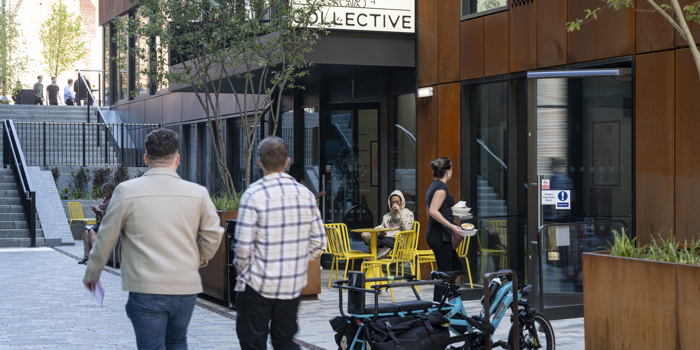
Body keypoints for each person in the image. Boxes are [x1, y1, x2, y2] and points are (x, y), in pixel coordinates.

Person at [83, 128, 224, 350]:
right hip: (184, 286)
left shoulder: (126, 191)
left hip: (145, 286)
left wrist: (92, 273)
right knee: (177, 341)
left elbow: (106, 237)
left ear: (146, 158)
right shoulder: (197, 193)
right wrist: (197, 260)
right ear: (177, 158)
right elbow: (214, 234)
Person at [235, 136, 326, 350]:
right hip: (291, 284)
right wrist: (297, 259)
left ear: (259, 162)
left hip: (257, 283)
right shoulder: (305, 195)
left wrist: (244, 271)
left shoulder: (253, 195)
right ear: (287, 161)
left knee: (252, 342)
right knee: (284, 341)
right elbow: (320, 241)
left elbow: (243, 247)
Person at [425, 157, 463, 301]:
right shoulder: (441, 188)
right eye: (451, 169)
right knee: (446, 272)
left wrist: (454, 219)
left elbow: (433, 210)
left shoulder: (433, 186)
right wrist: (451, 225)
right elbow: (433, 211)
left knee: (455, 267)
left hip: (438, 233)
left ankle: (451, 302)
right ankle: (437, 307)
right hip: (440, 235)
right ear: (448, 171)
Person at [360, 191, 414, 259]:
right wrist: (380, 233)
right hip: (386, 238)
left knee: (372, 246)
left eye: (397, 201)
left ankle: (374, 259)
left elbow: (407, 229)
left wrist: (400, 211)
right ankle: (379, 252)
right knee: (364, 234)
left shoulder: (408, 213)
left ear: (401, 201)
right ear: (390, 203)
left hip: (398, 240)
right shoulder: (386, 216)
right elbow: (382, 228)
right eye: (393, 202)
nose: (395, 204)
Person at [78, 183, 115, 265]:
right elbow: (101, 213)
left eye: (104, 192)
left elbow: (109, 214)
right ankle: (87, 256)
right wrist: (95, 211)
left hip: (108, 224)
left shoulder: (114, 200)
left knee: (91, 231)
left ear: (109, 191)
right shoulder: (106, 200)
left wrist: (99, 211)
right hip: (101, 222)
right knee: (87, 231)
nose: (103, 193)